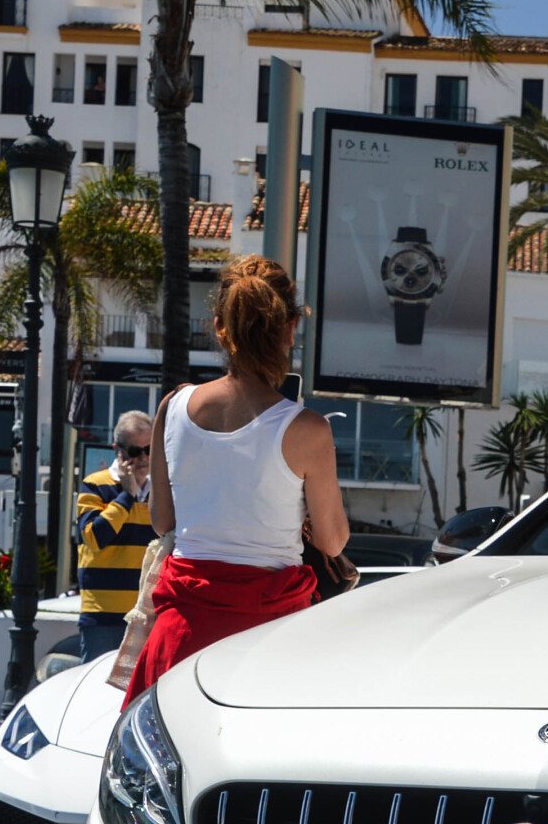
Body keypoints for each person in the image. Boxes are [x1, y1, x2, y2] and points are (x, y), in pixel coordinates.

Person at [123, 255, 349, 706]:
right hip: (269, 637)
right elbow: (333, 542)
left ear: (219, 328)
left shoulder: (173, 406)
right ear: (289, 329)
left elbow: (162, 520)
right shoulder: (307, 429)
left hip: (182, 628)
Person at [74, 408, 158, 663]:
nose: (143, 458)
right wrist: (127, 496)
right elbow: (94, 537)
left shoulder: (164, 489)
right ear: (117, 450)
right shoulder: (94, 484)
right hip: (103, 618)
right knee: (97, 698)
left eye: (149, 449)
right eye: (135, 451)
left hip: (148, 616)